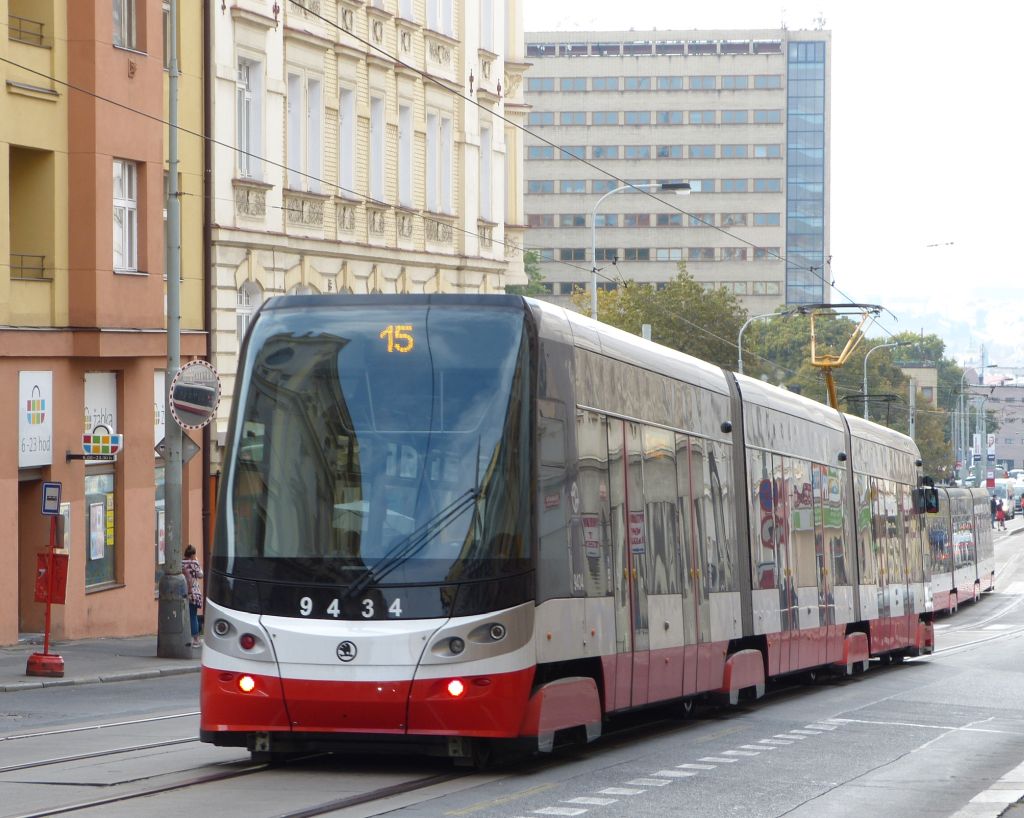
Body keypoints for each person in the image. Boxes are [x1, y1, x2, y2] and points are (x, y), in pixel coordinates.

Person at [183, 544, 204, 647]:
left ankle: (185, 638)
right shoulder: (194, 563)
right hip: (194, 592)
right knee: (193, 615)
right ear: (193, 554)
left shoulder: (181, 563)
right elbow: (200, 575)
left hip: (183, 591)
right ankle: (196, 639)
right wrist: (197, 562)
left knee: (184, 616)